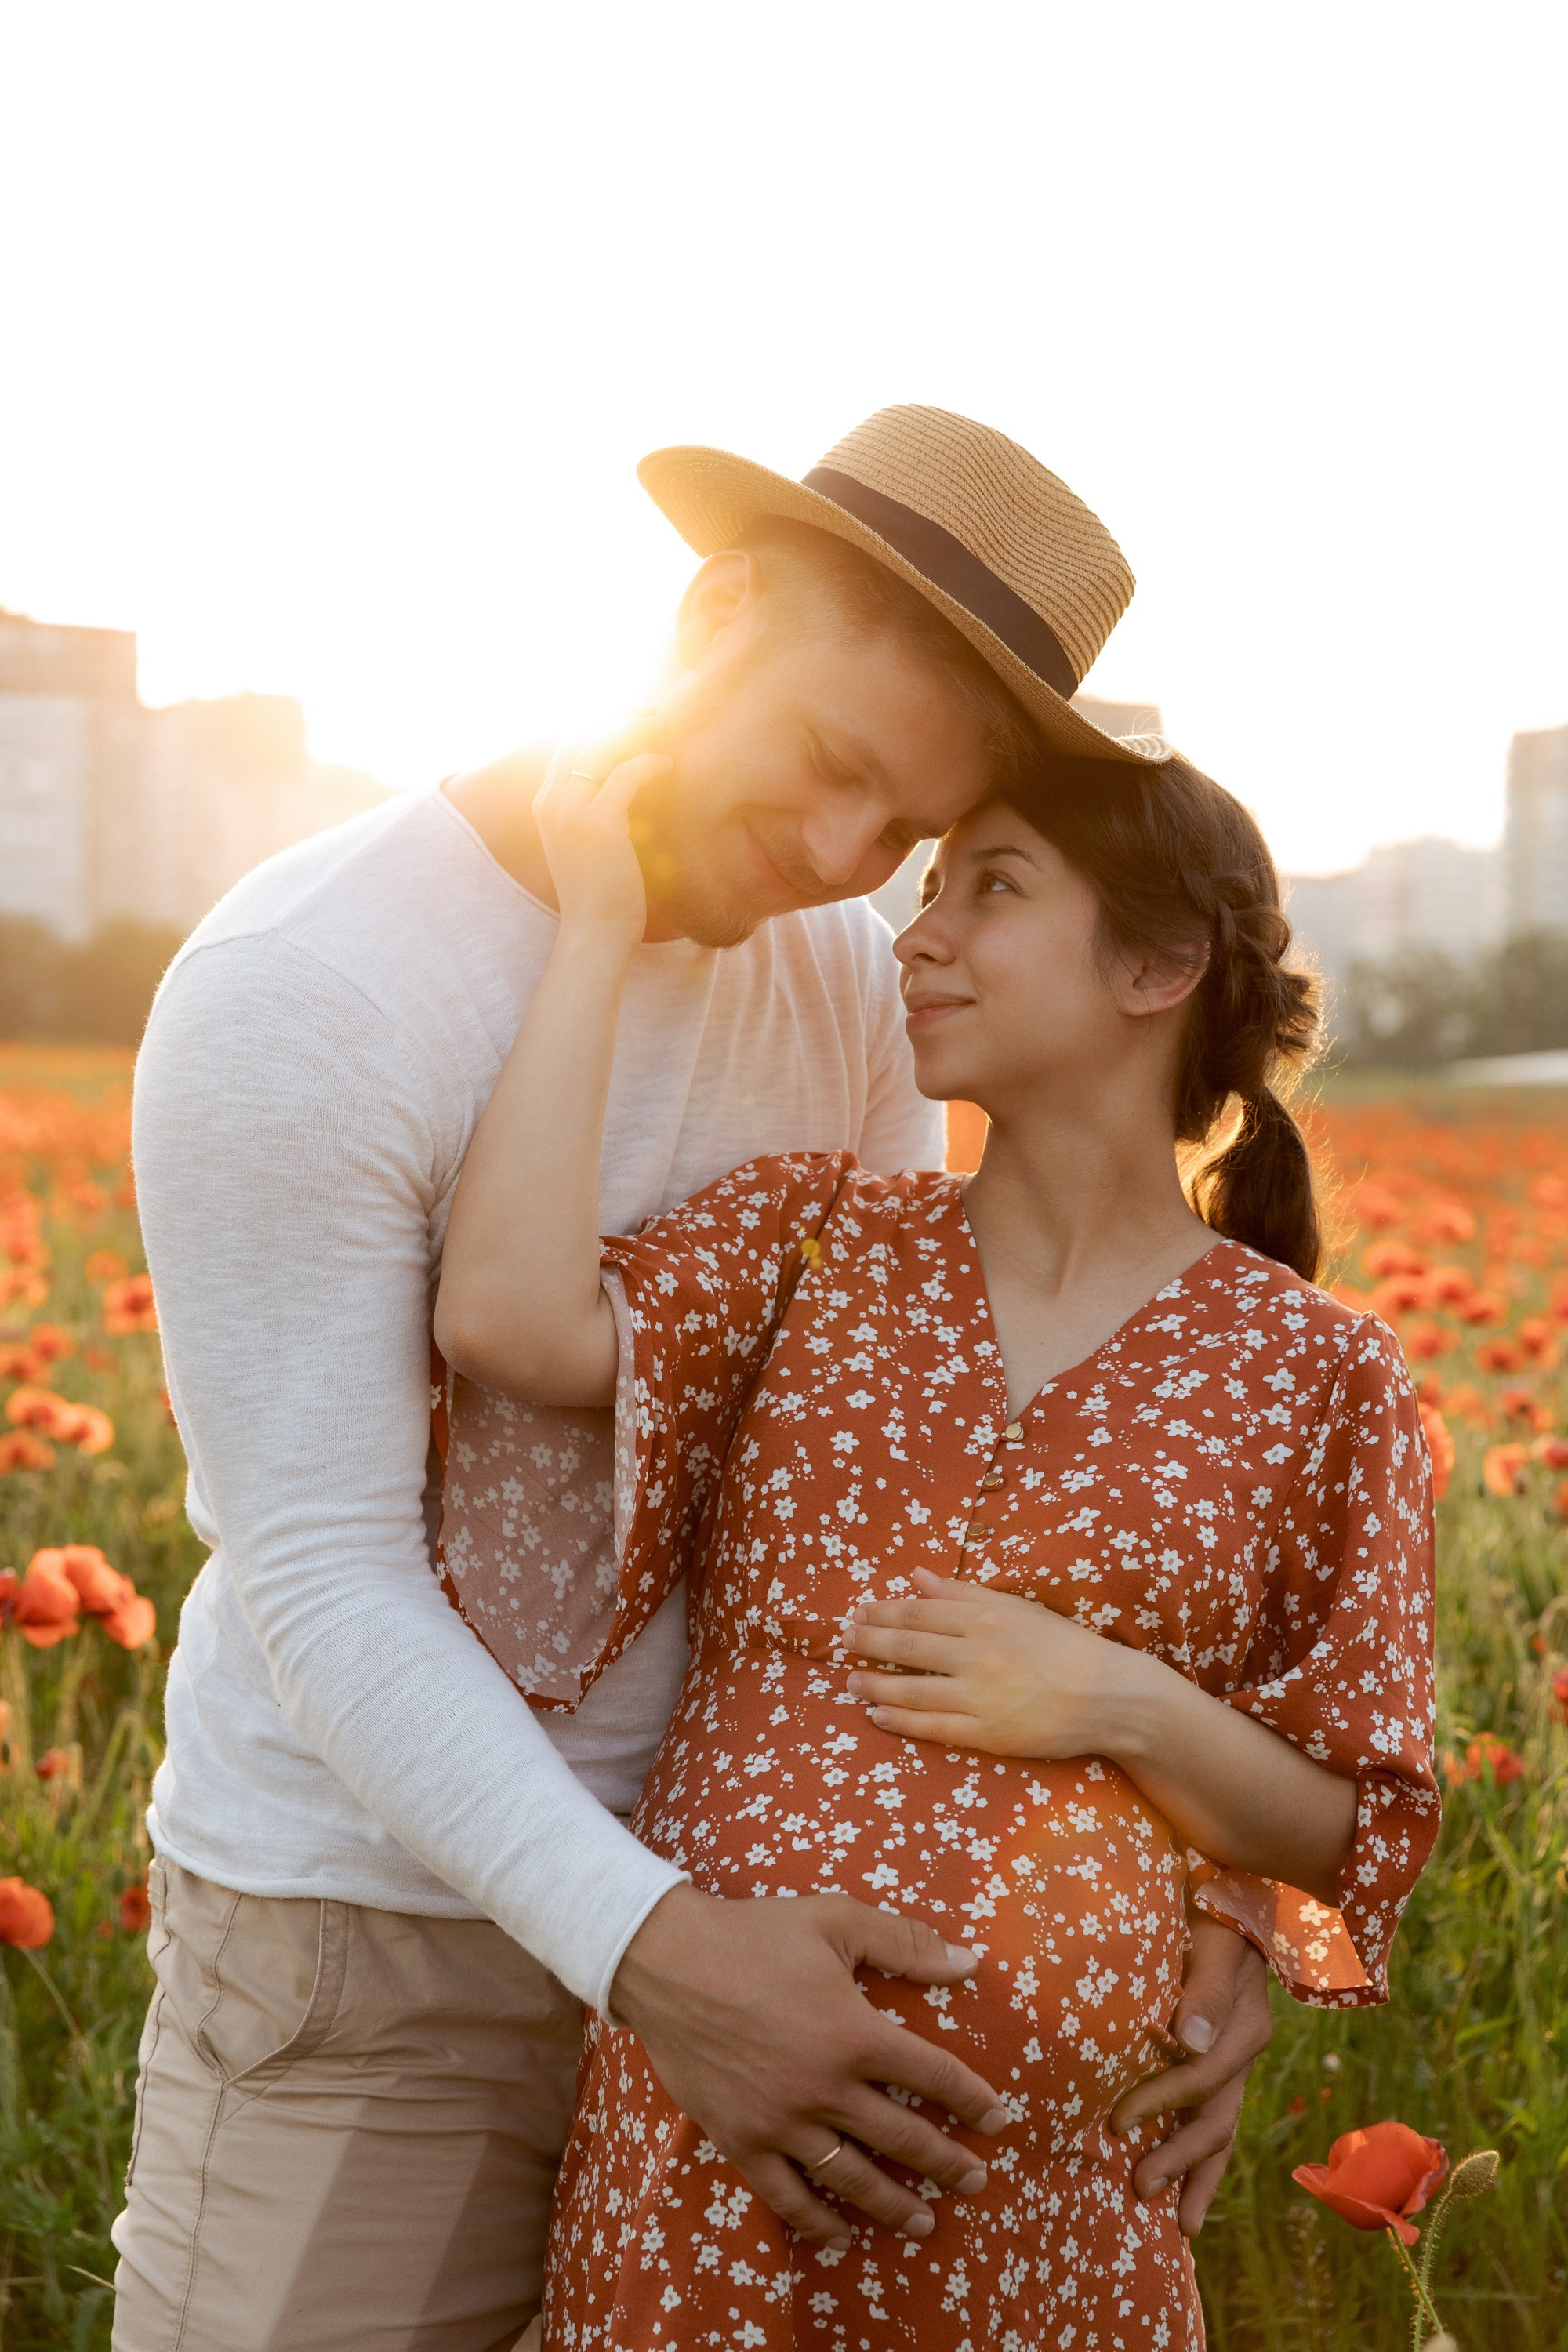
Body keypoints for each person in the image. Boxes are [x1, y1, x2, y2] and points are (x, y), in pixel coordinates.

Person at [118, 406, 1269, 2352]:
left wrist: (1197, 1905)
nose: (838, 859)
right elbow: (322, 1571)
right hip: (382, 1959)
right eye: (827, 766)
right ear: (713, 612)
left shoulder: (844, 976)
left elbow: (912, 1485)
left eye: (905, 831)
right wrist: (652, 1951)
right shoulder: (311, 983)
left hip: (790, 1936)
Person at [432, 744, 1440, 2348]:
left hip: (1059, 2211)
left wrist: (1119, 1700)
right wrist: (598, 926)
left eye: (994, 887)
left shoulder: (1315, 1371)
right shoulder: (813, 1238)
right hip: (714, 2161)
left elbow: (1349, 1822)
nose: (920, 935)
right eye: (925, 893)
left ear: (1159, 965)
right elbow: (502, 1316)